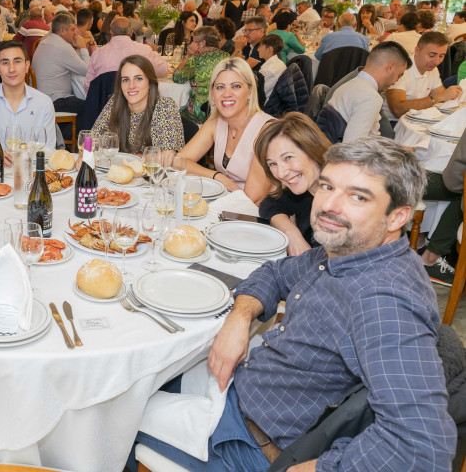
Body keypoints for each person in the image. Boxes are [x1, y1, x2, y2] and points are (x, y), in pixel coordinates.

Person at [162, 137, 456, 471]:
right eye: (328, 186)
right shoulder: (350, 251)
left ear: (397, 217)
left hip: (248, 440)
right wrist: (239, 319)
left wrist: (316, 469)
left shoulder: (384, 301)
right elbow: (274, 273)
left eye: (358, 196)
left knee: (108, 415)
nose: (330, 205)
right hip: (242, 390)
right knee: (154, 372)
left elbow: (423, 447)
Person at [177, 58, 274, 203]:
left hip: (261, 215)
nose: (226, 94)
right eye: (220, 87)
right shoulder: (215, 122)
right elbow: (178, 162)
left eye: (236, 86)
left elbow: (251, 200)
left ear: (250, 92)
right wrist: (217, 177)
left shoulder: (267, 131)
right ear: (212, 93)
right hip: (228, 204)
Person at [254, 112, 332, 255]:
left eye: (288, 157)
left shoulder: (348, 199)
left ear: (312, 149)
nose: (281, 173)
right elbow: (270, 204)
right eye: (272, 164)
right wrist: (290, 232)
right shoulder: (305, 192)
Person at [0, 40, 56, 161]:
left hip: (30, 171)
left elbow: (49, 148)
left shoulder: (44, 103)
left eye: (17, 61)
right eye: (5, 63)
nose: (12, 69)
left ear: (27, 66)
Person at [88, 54, 183, 155]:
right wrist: (84, 155)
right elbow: (92, 139)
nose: (131, 86)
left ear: (150, 82)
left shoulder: (165, 107)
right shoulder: (115, 101)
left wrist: (130, 157)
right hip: (123, 169)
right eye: (126, 80)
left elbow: (166, 157)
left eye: (138, 79)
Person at [326, 41, 411, 142]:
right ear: (391, 67)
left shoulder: (348, 85)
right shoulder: (370, 97)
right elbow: (352, 148)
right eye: (399, 75)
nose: (396, 81)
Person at [32, 12, 89, 127]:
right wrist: (83, 48)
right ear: (62, 31)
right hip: (55, 100)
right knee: (92, 106)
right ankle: (75, 138)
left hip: (41, 97)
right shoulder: (62, 46)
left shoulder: (47, 41)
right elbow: (87, 70)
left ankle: (67, 134)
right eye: (72, 29)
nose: (75, 33)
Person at [85, 17, 171, 91]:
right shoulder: (143, 50)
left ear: (111, 32)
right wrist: (154, 52)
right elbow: (163, 69)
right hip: (136, 105)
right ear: (131, 32)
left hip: (105, 105)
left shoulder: (97, 54)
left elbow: (88, 86)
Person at [171, 26, 229, 124]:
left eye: (193, 41)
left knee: (174, 113)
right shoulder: (226, 56)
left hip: (200, 110)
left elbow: (177, 78)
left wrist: (188, 55)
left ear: (202, 43)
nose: (191, 44)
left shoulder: (197, 60)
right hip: (221, 108)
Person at [257, 34, 286, 102]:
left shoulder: (268, 70)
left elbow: (259, 93)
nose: (258, 49)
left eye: (261, 46)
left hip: (267, 104)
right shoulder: (278, 62)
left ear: (270, 49)